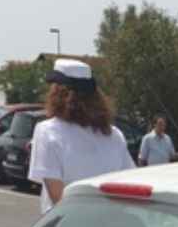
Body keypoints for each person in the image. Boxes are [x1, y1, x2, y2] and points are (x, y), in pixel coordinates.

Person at [28, 58, 135, 214]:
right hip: (111, 224)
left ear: (57, 93)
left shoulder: (46, 131)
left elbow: (57, 198)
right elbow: (129, 183)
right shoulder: (114, 134)